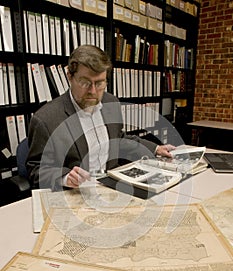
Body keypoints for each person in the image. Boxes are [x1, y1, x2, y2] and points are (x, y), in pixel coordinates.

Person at [27, 45, 175, 190]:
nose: (92, 91)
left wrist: (155, 148)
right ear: (70, 77)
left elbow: (119, 138)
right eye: (85, 82)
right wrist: (65, 178)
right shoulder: (45, 119)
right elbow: (36, 170)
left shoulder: (111, 103)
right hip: (77, 193)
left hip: (111, 186)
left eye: (99, 83)